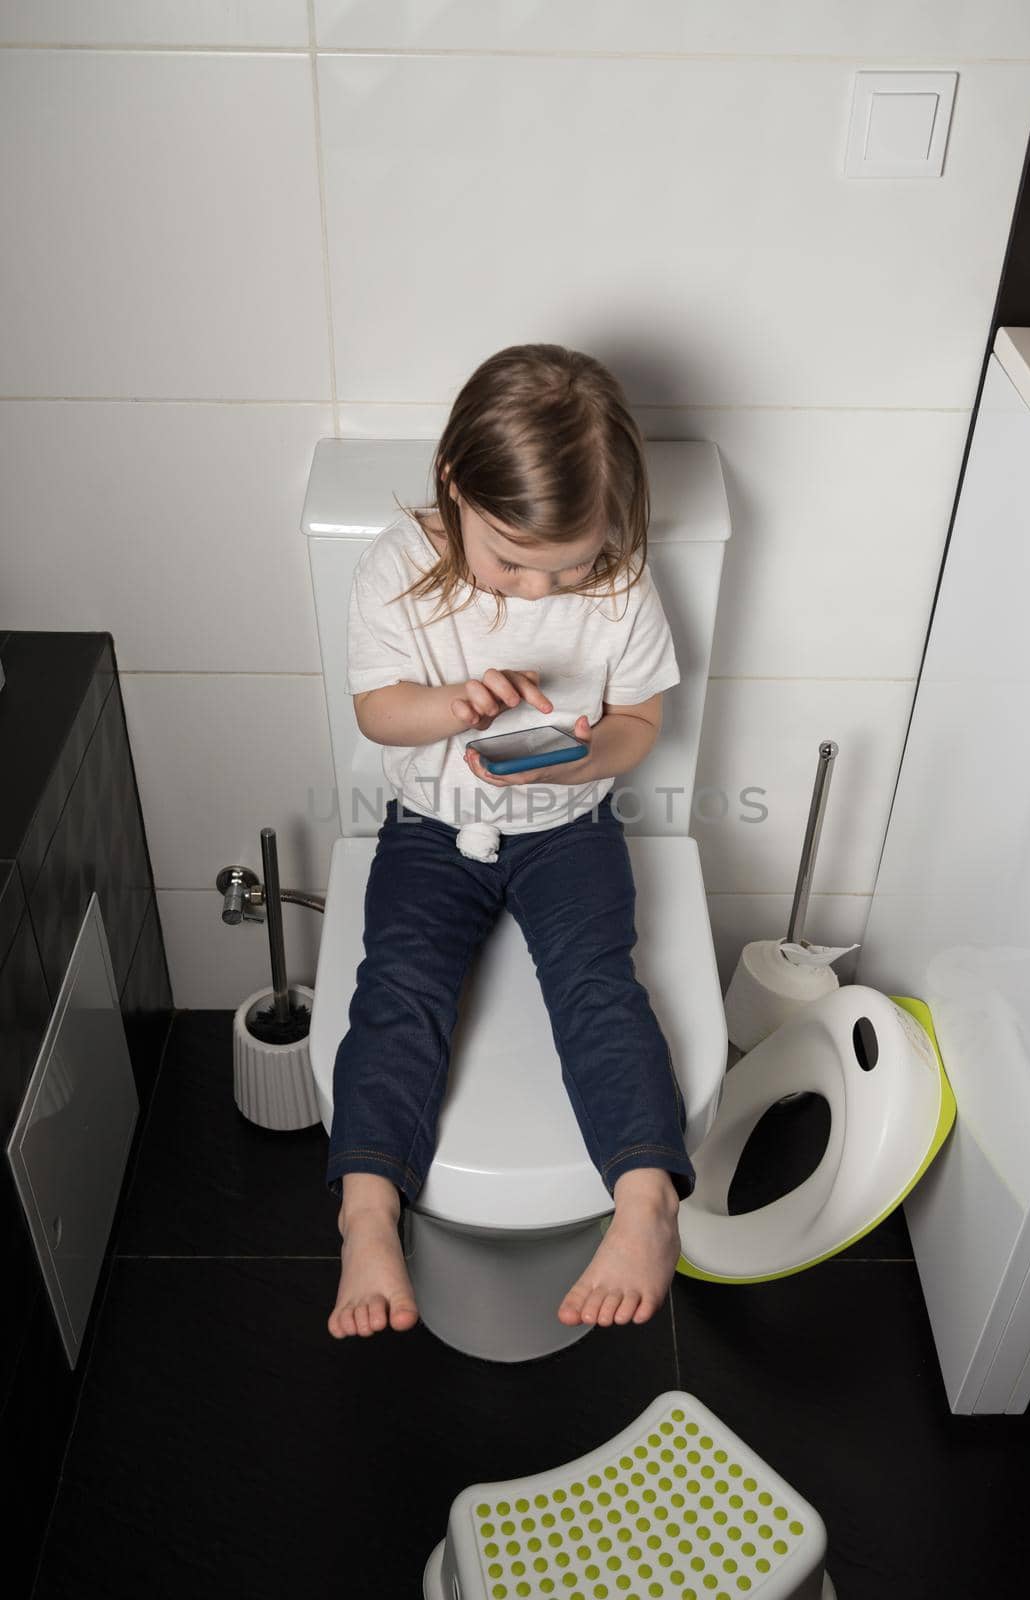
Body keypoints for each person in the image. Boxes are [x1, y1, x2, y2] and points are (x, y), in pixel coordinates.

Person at [326, 342, 696, 1341]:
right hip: (430, 825)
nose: (540, 592)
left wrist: (580, 764)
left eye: (568, 563)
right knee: (399, 983)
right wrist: (450, 705)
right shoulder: (401, 569)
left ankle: (646, 1200)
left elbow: (639, 721)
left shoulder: (620, 586)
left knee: (596, 983)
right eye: (511, 562)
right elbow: (376, 710)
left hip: (566, 824)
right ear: (455, 490)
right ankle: (368, 1214)